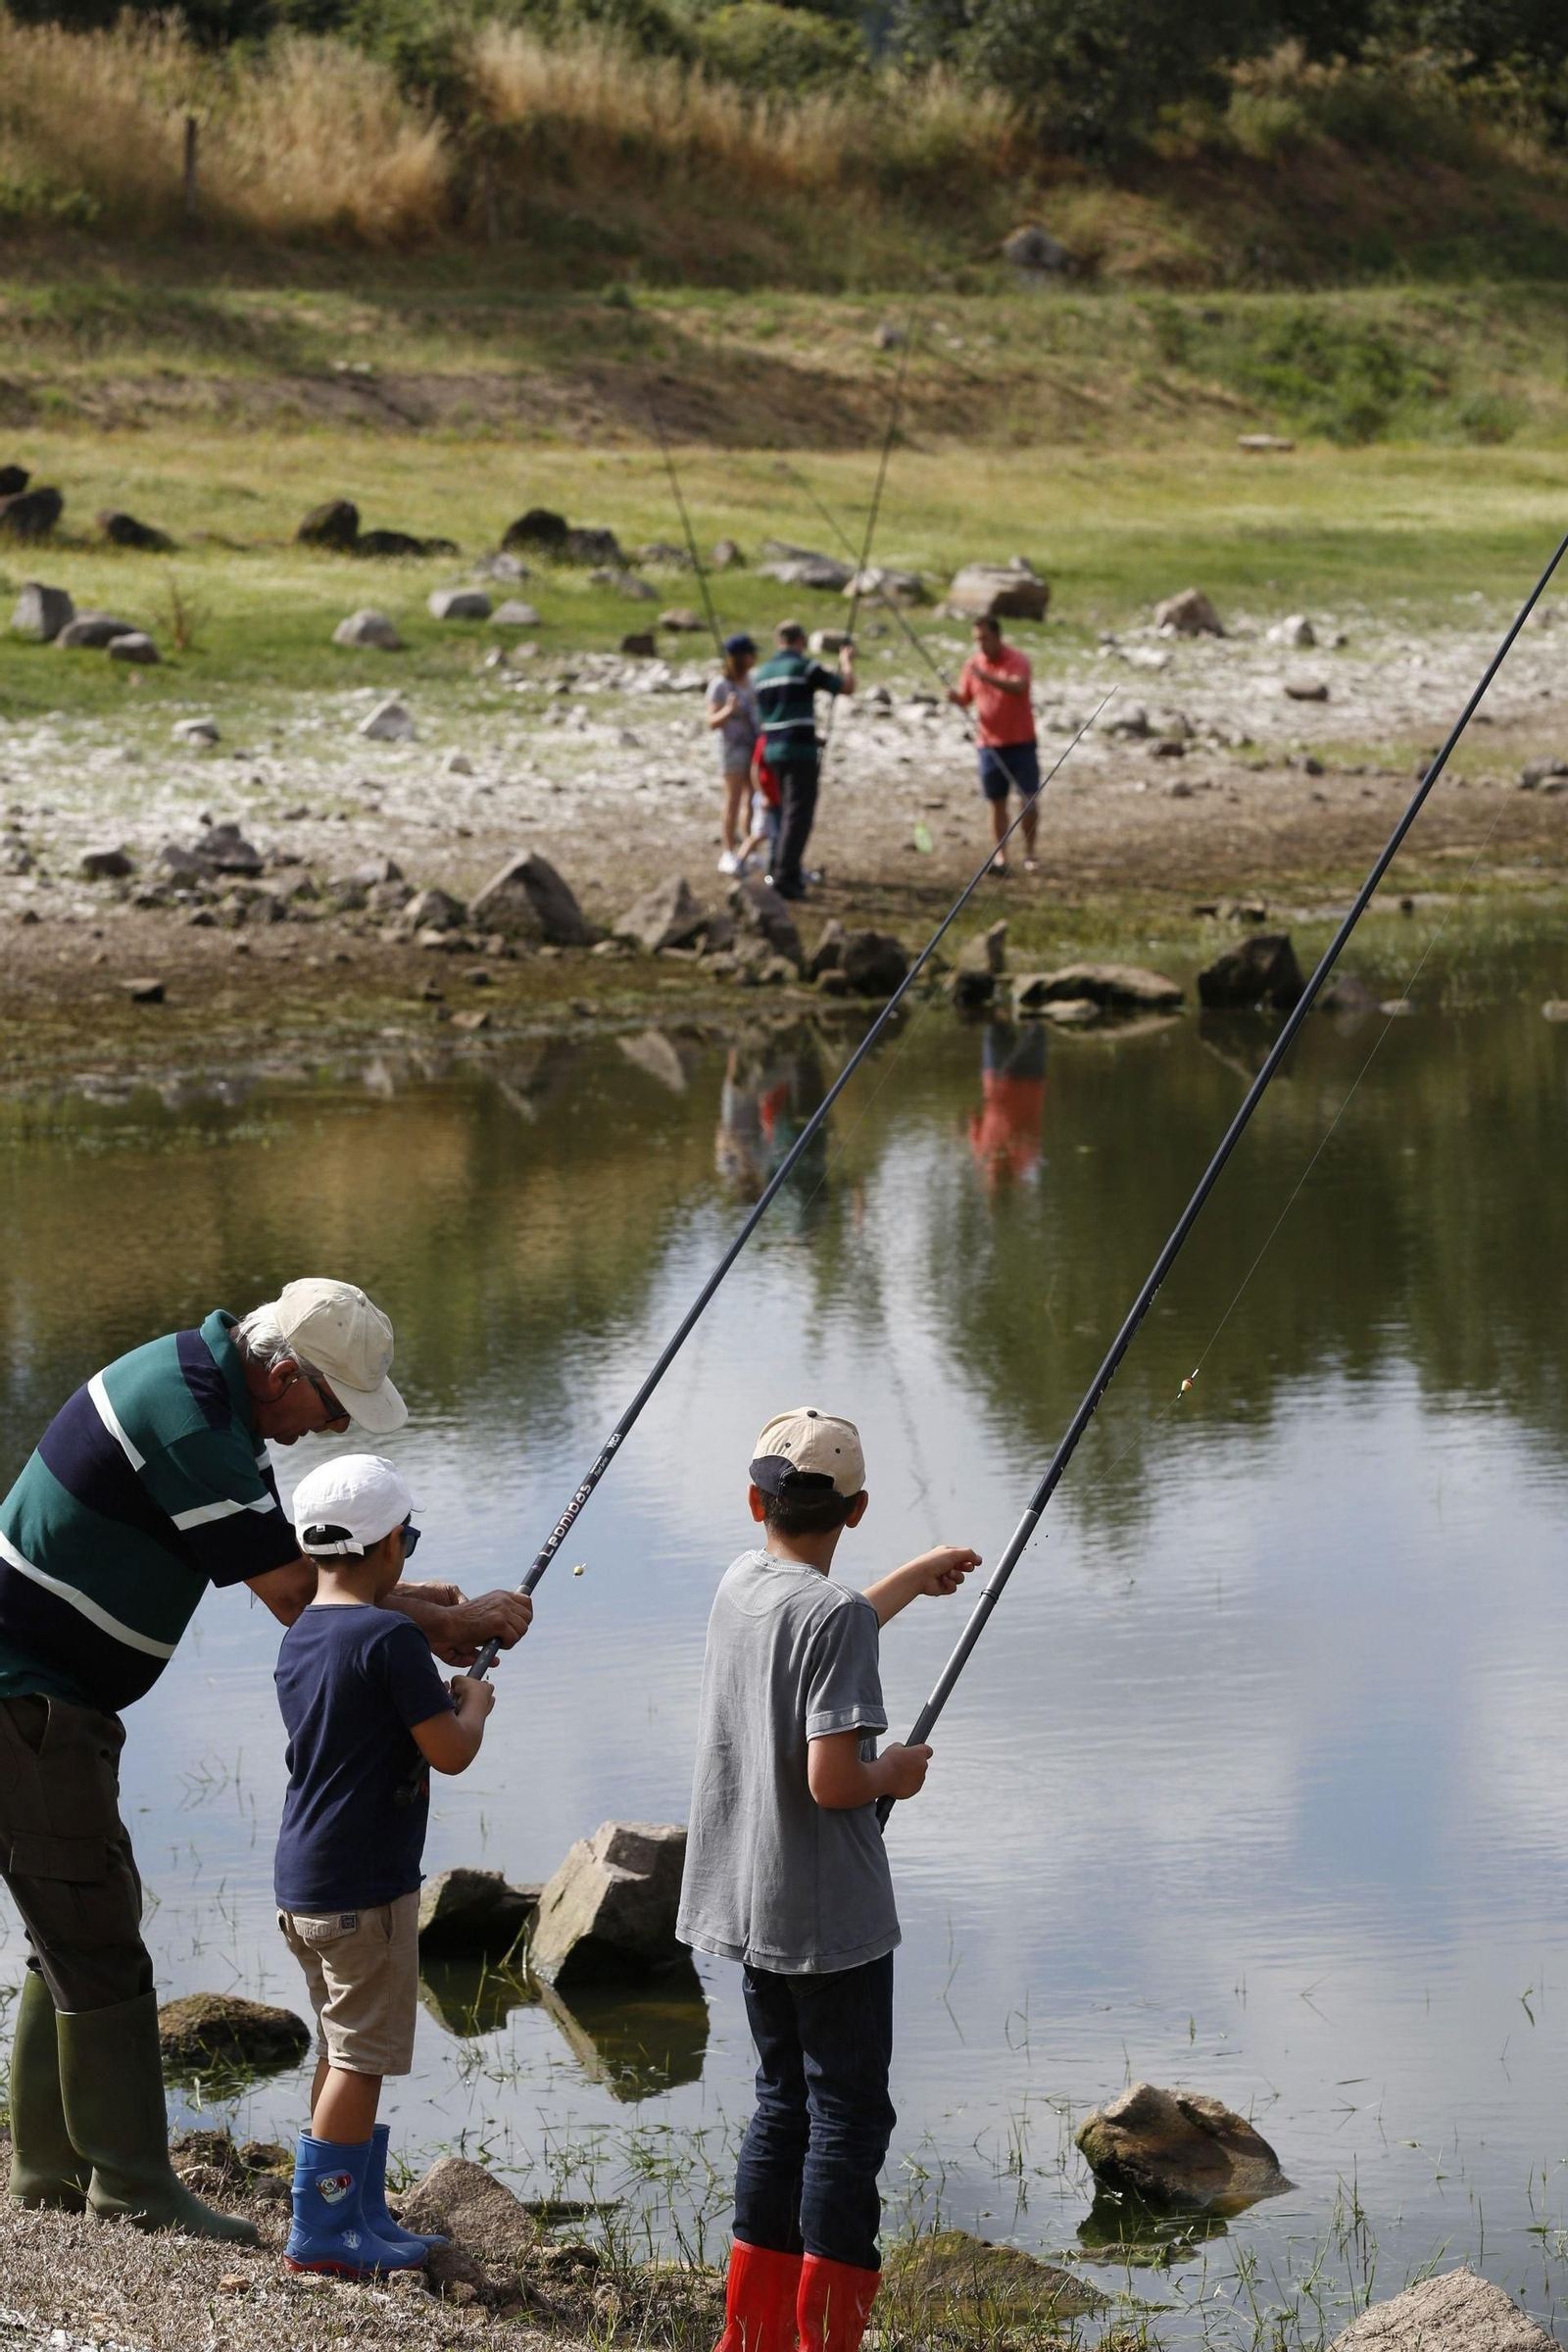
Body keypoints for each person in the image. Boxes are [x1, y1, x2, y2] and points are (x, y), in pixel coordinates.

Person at [0, 1278, 529, 2242]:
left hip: (48, 1698)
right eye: (329, 1407)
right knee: (96, 1937)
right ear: (283, 1371)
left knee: (64, 1923)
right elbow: (298, 1591)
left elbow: (301, 1574)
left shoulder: (209, 1394)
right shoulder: (192, 1422)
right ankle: (129, 2188)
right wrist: (443, 1620)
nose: (323, 1430)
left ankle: (45, 2173)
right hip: (27, 1701)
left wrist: (401, 1600)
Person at [677, 1408, 979, 2352]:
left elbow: (821, 1628)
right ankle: (824, 2341)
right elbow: (835, 1778)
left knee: (782, 2103)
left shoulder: (741, 1583)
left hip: (748, 1899)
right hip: (829, 1917)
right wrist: (895, 1774)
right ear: (855, 1509)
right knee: (848, 2114)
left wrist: (906, 1583)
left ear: (754, 1502)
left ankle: (752, 2333)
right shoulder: (835, 1615)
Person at [274, 1453, 509, 2277]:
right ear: (388, 1549)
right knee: (359, 2058)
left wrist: (432, 1702)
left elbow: (364, 1728)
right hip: (364, 1888)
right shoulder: (391, 1635)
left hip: (307, 1880)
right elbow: (448, 1754)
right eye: (408, 1535)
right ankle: (324, 2231)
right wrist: (471, 1704)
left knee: (341, 2051)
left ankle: (357, 2210)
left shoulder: (306, 1630)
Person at [753, 622, 856, 901]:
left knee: (784, 812)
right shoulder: (804, 667)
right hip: (798, 752)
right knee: (798, 816)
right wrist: (846, 662)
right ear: (800, 641)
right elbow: (845, 687)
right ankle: (786, 879)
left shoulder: (762, 673)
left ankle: (778, 871)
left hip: (772, 751)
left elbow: (775, 716)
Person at [948, 613, 1039, 877]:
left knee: (1028, 799)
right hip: (989, 745)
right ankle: (1001, 856)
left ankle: (1031, 852)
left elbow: (1019, 686)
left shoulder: (1016, 660)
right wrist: (955, 698)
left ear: (998, 636)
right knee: (996, 802)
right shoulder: (972, 665)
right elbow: (966, 699)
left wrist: (987, 677)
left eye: (985, 638)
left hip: (1021, 742)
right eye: (977, 639)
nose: (981, 644)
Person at [707, 633, 760, 877]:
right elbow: (711, 722)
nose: (755, 657)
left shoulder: (753, 681)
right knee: (733, 800)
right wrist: (729, 709)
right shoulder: (720, 685)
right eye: (751, 653)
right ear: (742, 657)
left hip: (754, 745)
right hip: (731, 749)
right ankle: (728, 851)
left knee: (754, 799)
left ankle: (750, 847)